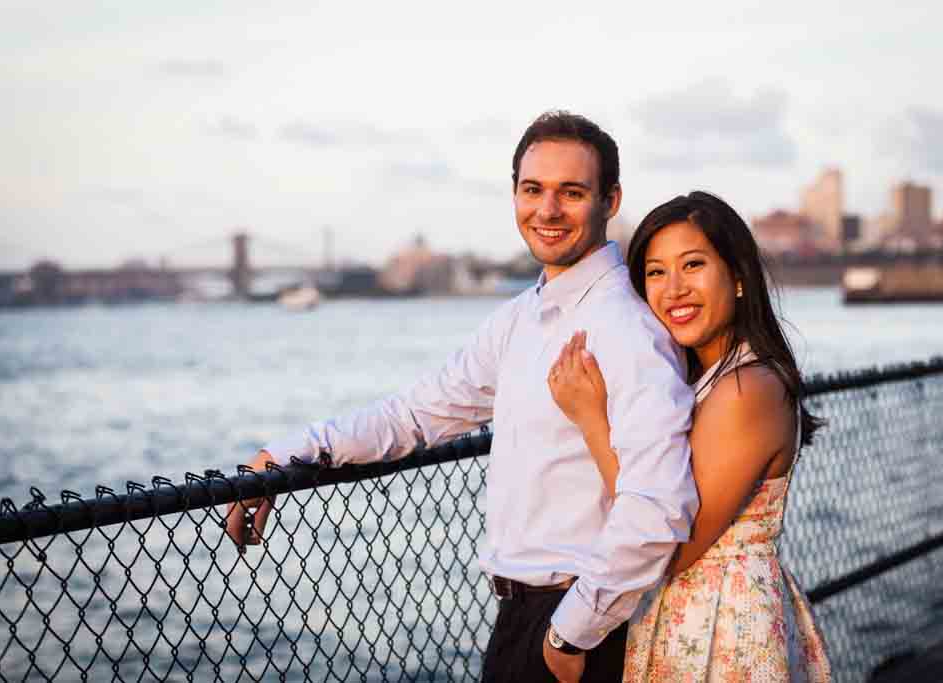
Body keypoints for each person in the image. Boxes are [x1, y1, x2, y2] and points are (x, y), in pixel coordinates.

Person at [225, 111, 700, 683]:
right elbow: (413, 417)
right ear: (515, 195)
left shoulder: (627, 330)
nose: (547, 211)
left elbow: (660, 506)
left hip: (583, 627)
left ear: (611, 200)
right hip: (521, 617)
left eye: (571, 192)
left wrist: (569, 635)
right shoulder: (521, 320)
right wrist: (292, 452)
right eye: (533, 190)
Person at [547, 191, 832, 681]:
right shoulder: (710, 379)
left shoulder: (748, 388)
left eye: (693, 265)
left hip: (724, 630)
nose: (673, 289)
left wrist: (592, 420)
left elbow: (671, 547)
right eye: (656, 272)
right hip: (694, 617)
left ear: (739, 277)